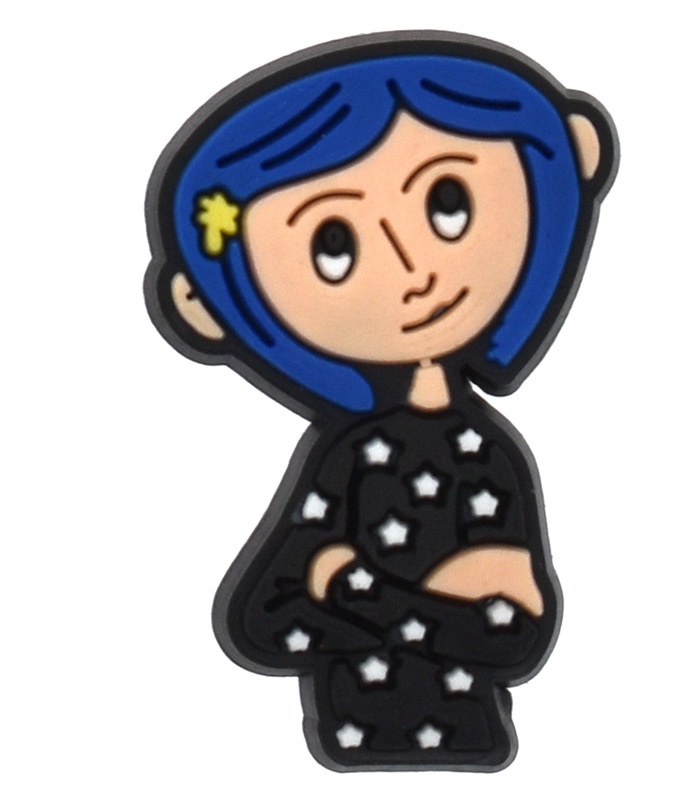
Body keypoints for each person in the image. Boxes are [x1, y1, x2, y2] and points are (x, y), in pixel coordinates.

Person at [145, 31, 618, 771]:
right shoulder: (348, 457)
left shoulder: (486, 456)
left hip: (473, 744)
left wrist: (346, 583)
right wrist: (439, 601)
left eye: (448, 203)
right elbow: (263, 620)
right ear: (205, 304)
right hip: (342, 747)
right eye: (334, 244)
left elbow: (514, 639)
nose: (410, 268)